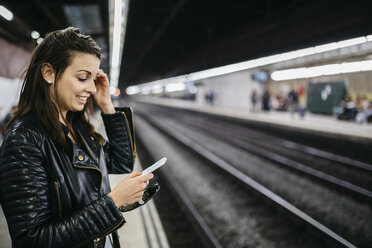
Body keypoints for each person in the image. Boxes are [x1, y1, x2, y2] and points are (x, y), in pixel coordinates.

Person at [0, 27, 153, 248]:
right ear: (49, 73)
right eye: (83, 78)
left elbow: (121, 161)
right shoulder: (24, 141)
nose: (91, 88)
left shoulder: (77, 126)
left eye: (94, 78)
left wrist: (107, 107)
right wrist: (114, 202)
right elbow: (32, 240)